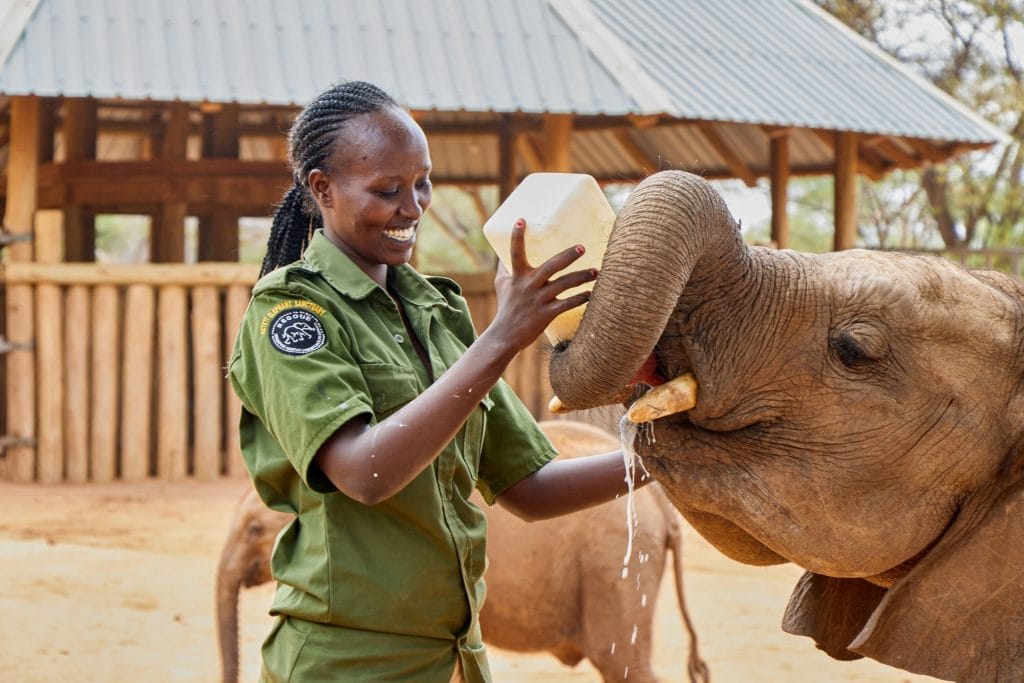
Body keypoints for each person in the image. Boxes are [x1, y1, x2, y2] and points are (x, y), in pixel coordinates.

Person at [228, 80, 651, 683]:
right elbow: (363, 472)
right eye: (387, 190)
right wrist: (502, 338)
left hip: (455, 658)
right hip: (347, 664)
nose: (414, 206)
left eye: (422, 182)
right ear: (322, 188)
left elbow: (528, 487)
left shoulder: (437, 311)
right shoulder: (292, 314)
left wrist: (661, 457)